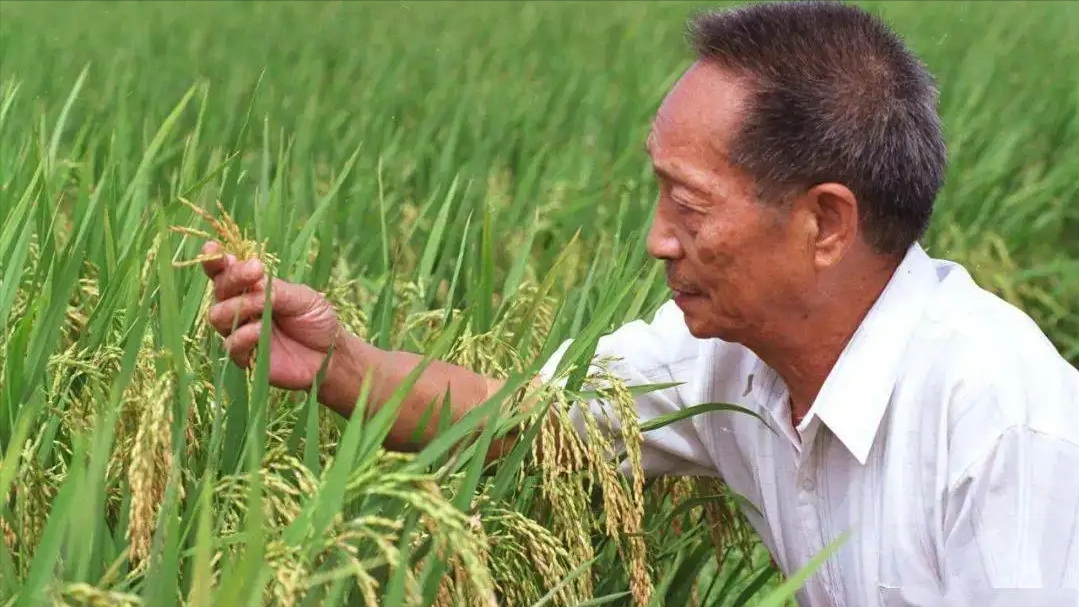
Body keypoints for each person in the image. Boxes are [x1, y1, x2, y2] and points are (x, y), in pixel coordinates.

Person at [196, 1, 1079, 606]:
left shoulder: (1004, 426)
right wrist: (341, 365)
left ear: (823, 222)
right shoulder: (723, 358)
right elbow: (532, 422)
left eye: (687, 204)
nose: (657, 238)